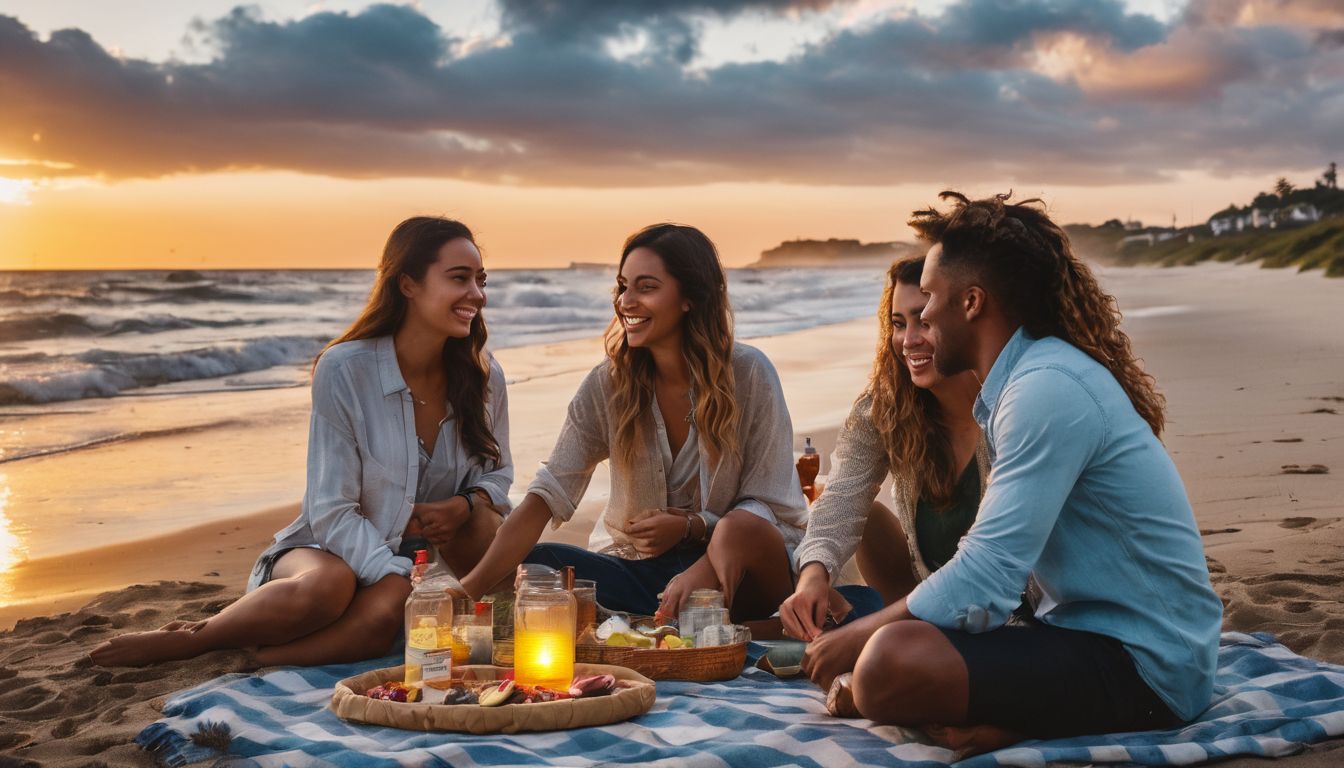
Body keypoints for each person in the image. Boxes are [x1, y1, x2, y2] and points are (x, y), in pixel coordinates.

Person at [830, 192, 1222, 754]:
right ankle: (1010, 721)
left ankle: (1019, 727)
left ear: (971, 302)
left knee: (885, 663)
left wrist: (856, 638)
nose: (926, 316)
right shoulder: (1026, 380)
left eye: (933, 299)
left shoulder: (1045, 389)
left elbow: (986, 576)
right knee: (896, 647)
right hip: (1082, 636)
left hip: (1151, 667)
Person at [91, 216, 513, 667]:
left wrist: (464, 505)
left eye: (480, 280)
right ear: (408, 284)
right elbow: (330, 509)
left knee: (463, 545)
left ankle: (259, 659)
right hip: (327, 550)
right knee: (330, 589)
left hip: (424, 557)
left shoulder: (484, 374)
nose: (477, 294)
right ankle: (198, 638)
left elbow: (500, 473)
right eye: (459, 278)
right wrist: (392, 571)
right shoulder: (345, 369)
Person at [457, 223, 808, 624]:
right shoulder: (607, 385)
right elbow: (549, 491)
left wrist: (695, 530)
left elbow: (769, 507)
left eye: (646, 287)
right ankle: (654, 625)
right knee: (539, 565)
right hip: (640, 570)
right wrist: (467, 590)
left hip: (739, 572)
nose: (626, 301)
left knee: (739, 530)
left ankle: (671, 623)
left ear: (690, 297)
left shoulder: (749, 374)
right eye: (623, 286)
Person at [779, 256, 987, 685]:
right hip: (922, 597)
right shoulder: (885, 408)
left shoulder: (1010, 410)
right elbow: (839, 500)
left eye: (924, 321)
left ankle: (885, 638)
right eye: (897, 323)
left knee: (879, 673)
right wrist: (813, 574)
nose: (909, 339)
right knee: (864, 516)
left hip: (1008, 610)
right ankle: (886, 632)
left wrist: (863, 635)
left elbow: (999, 570)